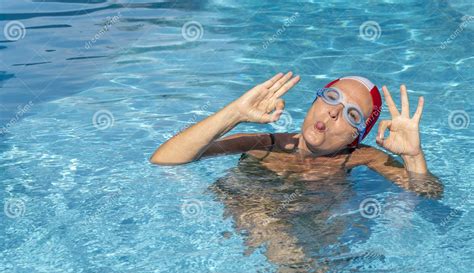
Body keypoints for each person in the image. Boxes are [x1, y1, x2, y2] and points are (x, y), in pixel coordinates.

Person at [150, 72, 443, 198]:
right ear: (314, 101)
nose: (333, 113)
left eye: (351, 115)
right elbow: (165, 160)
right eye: (331, 97)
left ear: (356, 136)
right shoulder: (262, 144)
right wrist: (234, 114)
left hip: (307, 241)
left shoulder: (364, 157)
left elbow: (427, 195)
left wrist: (413, 156)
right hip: (249, 227)